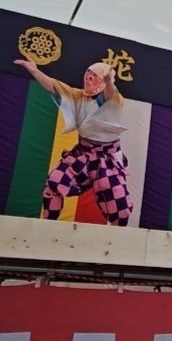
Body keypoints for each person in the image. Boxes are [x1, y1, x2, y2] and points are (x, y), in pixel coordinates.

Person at [14, 58, 133, 226]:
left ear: (104, 79)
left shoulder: (113, 99)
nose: (89, 77)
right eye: (87, 73)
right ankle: (48, 227)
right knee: (55, 183)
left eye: (95, 75)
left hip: (107, 158)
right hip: (83, 154)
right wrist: (34, 71)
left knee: (118, 203)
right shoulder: (77, 96)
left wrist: (109, 83)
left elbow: (109, 93)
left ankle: (119, 239)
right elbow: (53, 86)